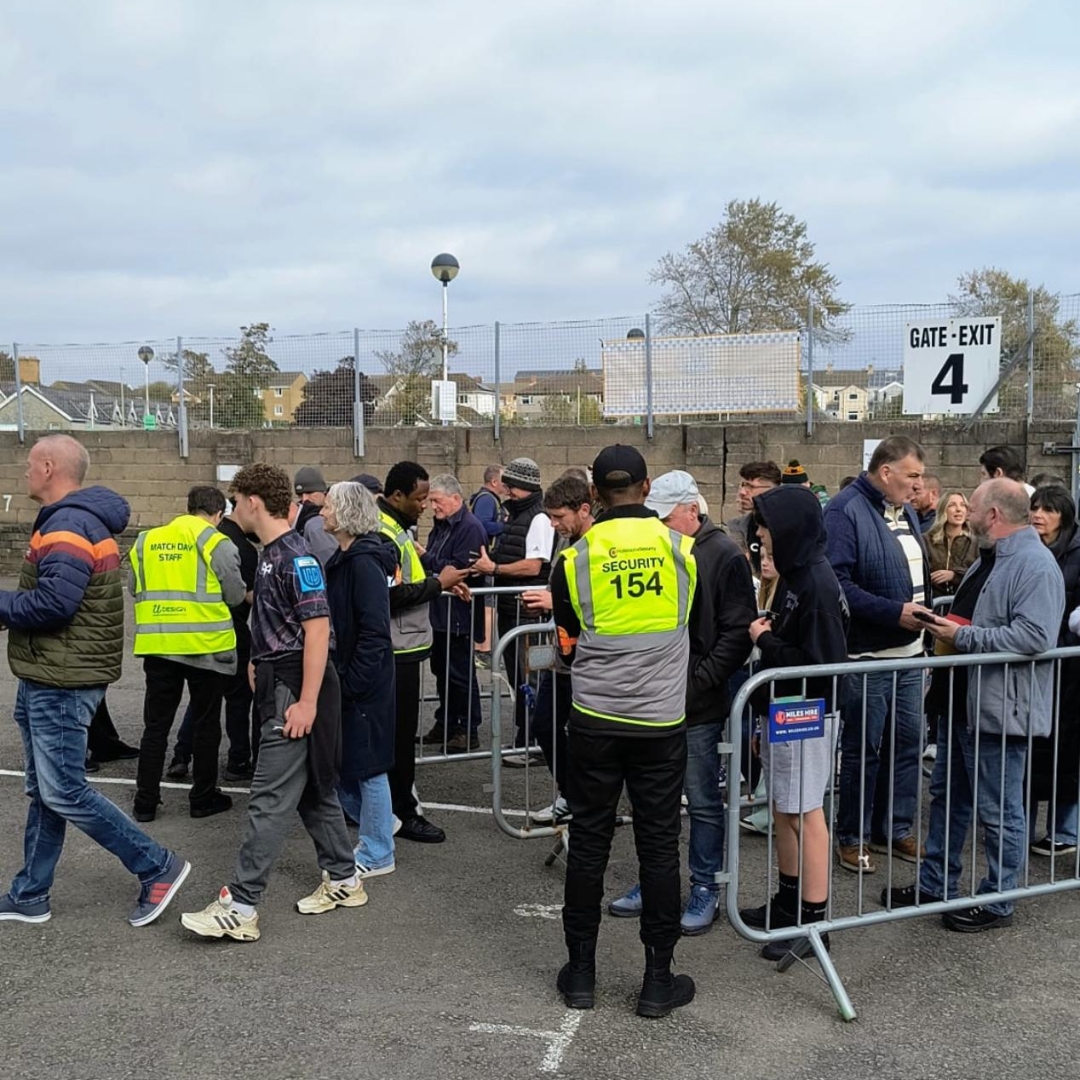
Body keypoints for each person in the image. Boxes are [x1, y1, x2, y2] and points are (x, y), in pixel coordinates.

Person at [0, 434, 189, 926]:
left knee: (63, 791)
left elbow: (53, 605)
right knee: (46, 790)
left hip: (61, 678)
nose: (24, 474)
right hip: (52, 671)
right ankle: (30, 894)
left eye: (28, 466)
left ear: (47, 466)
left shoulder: (68, 524)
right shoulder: (76, 521)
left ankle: (157, 865)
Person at [180, 464, 365, 942]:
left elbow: (318, 629)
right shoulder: (273, 554)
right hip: (279, 681)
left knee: (267, 798)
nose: (231, 509)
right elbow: (286, 623)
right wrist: (258, 659)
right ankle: (344, 879)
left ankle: (241, 906)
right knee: (310, 791)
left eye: (236, 500)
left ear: (254, 502)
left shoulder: (294, 557)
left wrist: (304, 701)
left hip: (292, 690)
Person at [551, 444, 699, 1019]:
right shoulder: (682, 550)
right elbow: (693, 621)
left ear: (593, 493)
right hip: (660, 720)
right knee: (659, 846)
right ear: (646, 487)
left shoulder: (576, 556)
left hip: (594, 717)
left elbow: (569, 629)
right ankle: (657, 981)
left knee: (590, 840)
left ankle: (581, 974)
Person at [883, 479, 1064, 931]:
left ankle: (999, 899)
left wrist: (959, 635)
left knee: (1000, 809)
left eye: (975, 508)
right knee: (949, 800)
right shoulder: (995, 559)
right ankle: (935, 884)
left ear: (994, 516)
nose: (965, 513)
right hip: (965, 702)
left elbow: (1034, 637)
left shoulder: (1035, 565)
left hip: (1001, 712)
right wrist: (951, 626)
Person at [610, 470, 756, 937]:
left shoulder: (724, 554)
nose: (660, 526)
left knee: (703, 798)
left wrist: (698, 682)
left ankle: (706, 885)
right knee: (656, 800)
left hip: (695, 701)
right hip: (658, 697)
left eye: (667, 518)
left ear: (692, 511)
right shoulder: (671, 547)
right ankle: (657, 883)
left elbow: (736, 632)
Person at [739, 485, 849, 960]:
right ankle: (789, 901)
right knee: (786, 807)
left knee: (807, 813)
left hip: (809, 712)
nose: (760, 537)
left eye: (766, 528)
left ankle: (814, 919)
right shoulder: (796, 575)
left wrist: (765, 640)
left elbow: (819, 662)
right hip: (785, 711)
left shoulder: (817, 584)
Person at [824, 435, 933, 874]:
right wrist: (893, 612)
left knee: (907, 745)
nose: (918, 487)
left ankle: (895, 828)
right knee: (863, 749)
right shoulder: (844, 511)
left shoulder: (904, 509)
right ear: (886, 472)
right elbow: (838, 583)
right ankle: (853, 836)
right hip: (868, 657)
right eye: (912, 476)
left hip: (909, 653)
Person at [129, 485, 246, 822]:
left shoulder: (146, 540)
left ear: (189, 506)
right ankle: (202, 797)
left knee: (155, 727)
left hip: (159, 645)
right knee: (206, 724)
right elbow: (236, 595)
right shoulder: (216, 542)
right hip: (204, 646)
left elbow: (136, 587)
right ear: (218, 514)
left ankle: (145, 802)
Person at [378, 461, 470, 843]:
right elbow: (387, 595)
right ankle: (402, 812)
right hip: (395, 650)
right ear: (396, 496)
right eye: (418, 499)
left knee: (397, 737)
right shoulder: (384, 534)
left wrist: (440, 585)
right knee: (398, 739)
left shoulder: (395, 529)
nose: (424, 506)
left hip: (403, 647)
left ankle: (395, 807)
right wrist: (438, 583)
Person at [322, 482, 400, 880]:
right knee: (350, 764)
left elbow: (373, 632)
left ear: (347, 513)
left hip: (361, 681)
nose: (321, 513)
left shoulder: (362, 564)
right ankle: (381, 825)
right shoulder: (348, 558)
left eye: (328, 507)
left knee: (367, 767)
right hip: (353, 677)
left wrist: (351, 682)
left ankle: (378, 849)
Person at [166, 497, 260, 782]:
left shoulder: (200, 537)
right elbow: (242, 594)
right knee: (239, 697)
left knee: (203, 698)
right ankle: (238, 759)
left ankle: (181, 756)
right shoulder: (240, 547)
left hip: (198, 627)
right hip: (230, 628)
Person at [521, 475, 596, 822]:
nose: (552, 524)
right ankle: (572, 794)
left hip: (591, 660)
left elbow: (600, 601)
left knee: (587, 736)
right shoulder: (566, 542)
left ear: (583, 509)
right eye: (549, 517)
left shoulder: (597, 546)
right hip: (561, 656)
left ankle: (590, 802)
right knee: (545, 725)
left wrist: (555, 601)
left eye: (558, 516)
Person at [473, 457, 554, 759]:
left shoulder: (538, 519)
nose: (506, 491)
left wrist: (493, 567)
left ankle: (532, 741)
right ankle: (526, 736)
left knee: (530, 677)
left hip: (526, 611)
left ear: (526, 487)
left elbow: (533, 565)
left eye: (512, 487)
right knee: (520, 676)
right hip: (514, 608)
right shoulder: (518, 515)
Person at [1028, 485, 1080, 857]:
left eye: (1047, 510)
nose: (1038, 515)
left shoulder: (1076, 552)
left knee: (1068, 747)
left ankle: (1065, 830)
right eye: (1034, 508)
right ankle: (1022, 824)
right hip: (1035, 660)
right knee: (1031, 745)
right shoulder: (1026, 548)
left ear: (1064, 516)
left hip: (1069, 664)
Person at [419, 474, 487, 753]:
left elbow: (459, 569)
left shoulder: (469, 528)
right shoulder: (443, 525)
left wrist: (424, 557)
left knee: (460, 673)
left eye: (437, 500)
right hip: (442, 612)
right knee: (442, 671)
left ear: (456, 499)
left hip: (459, 613)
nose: (432, 506)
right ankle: (446, 722)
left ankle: (468, 728)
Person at [469, 465, 506, 667]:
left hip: (487, 558)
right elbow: (482, 524)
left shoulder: (486, 499)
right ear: (494, 482)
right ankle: (483, 650)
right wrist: (505, 526)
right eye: (503, 480)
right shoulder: (486, 500)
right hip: (486, 559)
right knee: (488, 604)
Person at [725, 461, 781, 575]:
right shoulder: (736, 528)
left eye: (751, 487)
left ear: (771, 490)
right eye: (743, 485)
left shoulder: (785, 528)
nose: (742, 492)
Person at [923, 491, 976, 601]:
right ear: (943, 510)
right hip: (933, 605)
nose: (959, 509)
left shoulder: (976, 542)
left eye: (963, 505)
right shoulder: (926, 540)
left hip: (963, 606)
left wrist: (954, 576)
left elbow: (981, 574)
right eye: (952, 505)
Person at [293, 466, 338, 567]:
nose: (305, 499)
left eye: (309, 493)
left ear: (324, 493)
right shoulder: (303, 519)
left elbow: (330, 564)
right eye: (300, 495)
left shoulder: (316, 524)